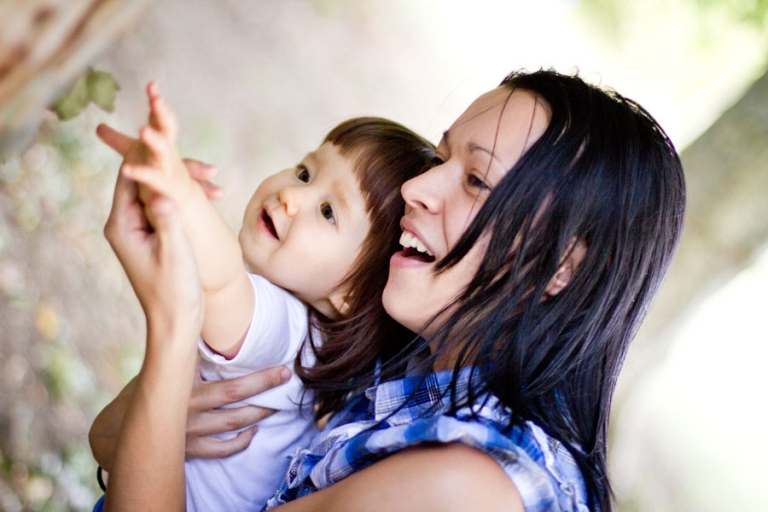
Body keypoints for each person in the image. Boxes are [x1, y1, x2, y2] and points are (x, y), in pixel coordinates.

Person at [100, 69, 686, 512]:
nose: (416, 188)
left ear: (558, 268)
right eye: (441, 156)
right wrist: (155, 416)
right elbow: (111, 440)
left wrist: (175, 323)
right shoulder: (415, 374)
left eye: (476, 180)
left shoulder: (466, 490)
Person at [90, 83, 435, 511]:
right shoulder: (315, 357)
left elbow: (221, 282)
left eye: (328, 212)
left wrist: (180, 192)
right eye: (305, 173)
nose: (292, 196)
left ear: (352, 294)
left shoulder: (290, 334)